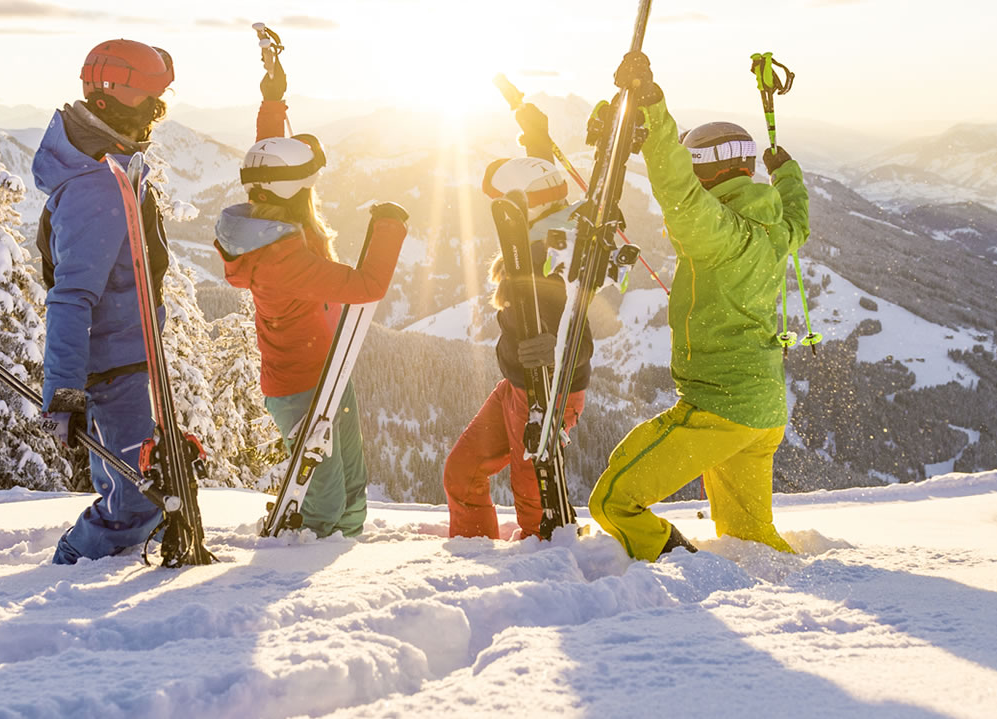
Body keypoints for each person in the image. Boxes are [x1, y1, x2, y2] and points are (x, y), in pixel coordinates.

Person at [587, 50, 809, 560]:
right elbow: (798, 213)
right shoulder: (777, 229)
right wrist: (788, 174)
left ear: (709, 173)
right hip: (764, 412)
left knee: (613, 502)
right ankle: (791, 595)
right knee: (750, 539)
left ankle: (677, 563)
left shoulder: (722, 234)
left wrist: (653, 106)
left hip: (721, 407)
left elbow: (678, 191)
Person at [214, 51, 408, 537]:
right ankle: (306, 567)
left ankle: (347, 553)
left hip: (328, 372)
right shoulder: (283, 259)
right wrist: (389, 226)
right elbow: (367, 287)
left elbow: (268, 160)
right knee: (325, 496)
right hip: (303, 388)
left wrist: (273, 101)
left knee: (352, 487)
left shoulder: (270, 220)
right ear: (298, 192)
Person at [35, 38, 177, 564]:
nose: (156, 117)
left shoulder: (113, 165)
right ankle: (71, 568)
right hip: (114, 368)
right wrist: (65, 389)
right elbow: (71, 297)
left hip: (130, 359)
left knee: (150, 484)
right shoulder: (96, 185)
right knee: (132, 503)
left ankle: (154, 562)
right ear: (111, 100)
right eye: (149, 104)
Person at [442, 156, 592, 539]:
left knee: (535, 506)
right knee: (462, 472)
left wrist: (555, 347)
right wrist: (533, 135)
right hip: (518, 385)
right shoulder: (530, 243)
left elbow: (582, 333)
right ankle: (472, 552)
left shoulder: (558, 252)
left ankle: (547, 572)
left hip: (548, 391)